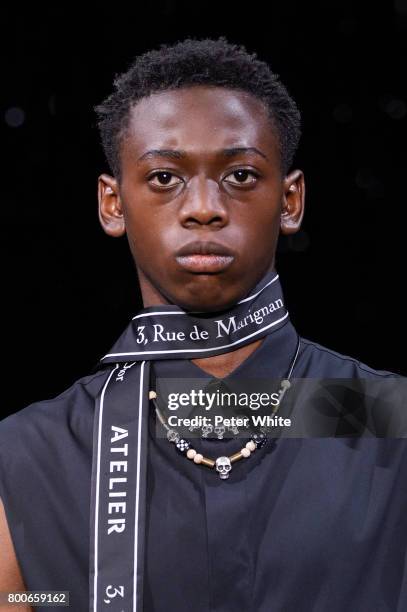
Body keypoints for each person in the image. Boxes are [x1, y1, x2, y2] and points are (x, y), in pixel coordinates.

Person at [0, 37, 406, 612]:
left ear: (290, 201)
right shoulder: (29, 455)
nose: (203, 207)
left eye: (240, 175)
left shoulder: (385, 418)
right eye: (165, 178)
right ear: (113, 204)